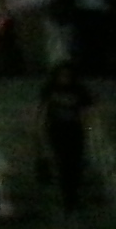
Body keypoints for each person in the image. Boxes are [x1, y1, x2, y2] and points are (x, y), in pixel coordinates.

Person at [36, 59, 95, 212]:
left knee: (74, 164)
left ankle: (73, 195)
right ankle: (67, 197)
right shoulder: (50, 89)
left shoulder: (79, 90)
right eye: (62, 75)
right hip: (56, 130)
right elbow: (43, 109)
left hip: (75, 130)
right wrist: (39, 128)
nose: (65, 78)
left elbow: (87, 111)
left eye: (67, 75)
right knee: (62, 163)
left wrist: (87, 128)